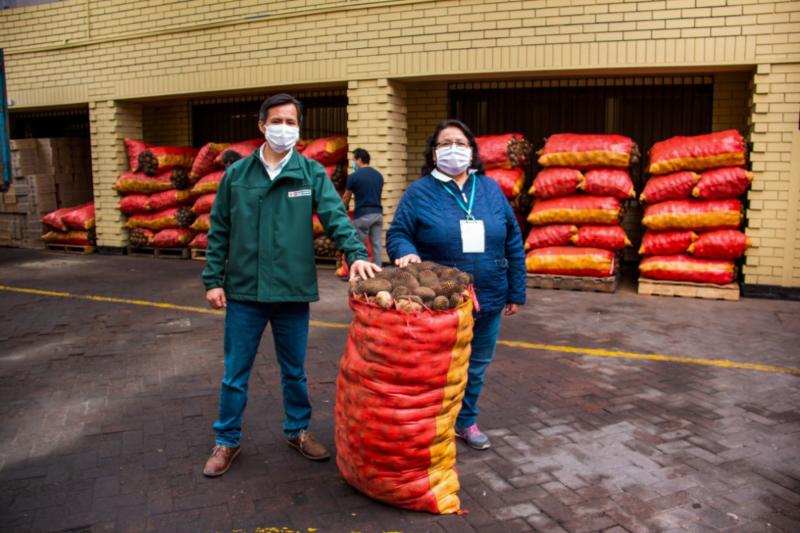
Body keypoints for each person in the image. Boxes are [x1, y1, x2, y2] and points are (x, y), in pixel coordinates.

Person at [201, 93, 381, 477]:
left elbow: (335, 217)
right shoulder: (237, 175)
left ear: (298, 128)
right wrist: (213, 279)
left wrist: (356, 253)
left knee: (294, 370)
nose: (284, 128)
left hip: (291, 290)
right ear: (262, 126)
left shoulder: (310, 173)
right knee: (235, 372)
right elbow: (219, 230)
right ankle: (226, 440)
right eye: (277, 121)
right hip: (245, 291)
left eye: (291, 122)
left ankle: (297, 430)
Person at [386, 119, 526, 451]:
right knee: (434, 367)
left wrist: (516, 291)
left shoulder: (490, 189)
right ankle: (432, 424)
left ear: (472, 152)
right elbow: (398, 233)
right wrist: (406, 253)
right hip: (439, 300)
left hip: (489, 294)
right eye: (445, 143)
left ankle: (465, 421)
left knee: (476, 365)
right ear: (433, 152)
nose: (453, 149)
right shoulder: (419, 192)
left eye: (460, 143)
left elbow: (513, 240)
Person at [342, 148, 384, 264]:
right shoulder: (378, 175)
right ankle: (378, 271)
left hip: (363, 215)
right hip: (378, 214)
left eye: (354, 160)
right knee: (376, 245)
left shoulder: (353, 177)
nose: (353, 163)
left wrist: (341, 209)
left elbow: (346, 196)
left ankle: (360, 271)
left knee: (358, 245)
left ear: (359, 160)